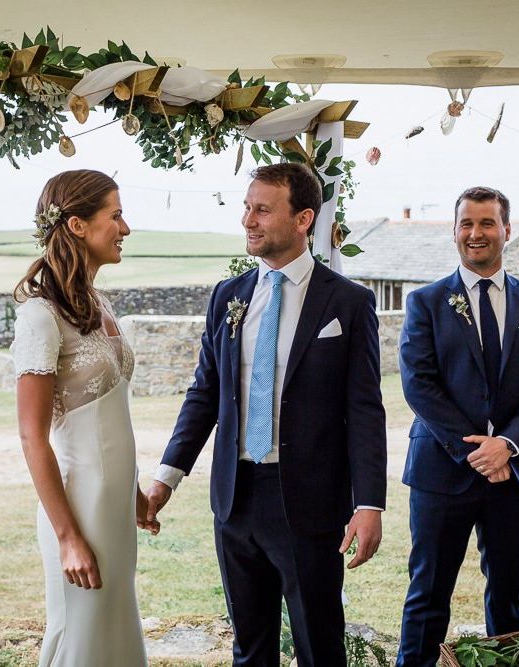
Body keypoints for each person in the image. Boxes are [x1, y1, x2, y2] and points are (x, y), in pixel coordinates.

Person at [145, 163, 387, 666]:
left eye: (261, 209)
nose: (247, 220)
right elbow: (204, 393)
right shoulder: (228, 297)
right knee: (249, 648)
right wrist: (166, 479)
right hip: (234, 498)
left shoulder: (348, 302)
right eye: (247, 207)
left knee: (319, 645)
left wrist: (369, 504)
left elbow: (364, 410)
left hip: (310, 502)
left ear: (303, 219)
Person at [396, 186, 519, 666]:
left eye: (487, 223)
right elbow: (419, 384)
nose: (476, 233)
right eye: (467, 223)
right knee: (428, 593)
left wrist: (507, 445)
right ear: (454, 232)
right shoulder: (426, 302)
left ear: (506, 230)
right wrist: (476, 450)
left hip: (516, 472)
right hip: (441, 472)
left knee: (510, 593)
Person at [10, 170, 156, 667]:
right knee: (81, 635)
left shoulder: (98, 302)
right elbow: (33, 438)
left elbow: (109, 412)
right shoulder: (40, 316)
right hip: (79, 508)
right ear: (76, 225)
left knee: (113, 628)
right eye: (115, 215)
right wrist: (69, 537)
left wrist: (134, 492)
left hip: (114, 506)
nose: (125, 227)